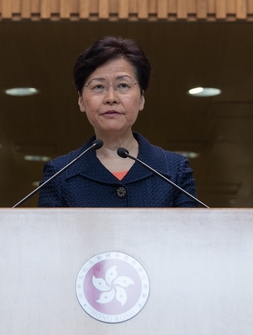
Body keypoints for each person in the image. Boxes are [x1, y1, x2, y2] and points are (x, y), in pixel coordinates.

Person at [37, 36, 199, 207]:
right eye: (98, 87)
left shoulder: (175, 170)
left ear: (142, 98)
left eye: (123, 85)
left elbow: (191, 232)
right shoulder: (59, 174)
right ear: (81, 101)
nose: (111, 98)